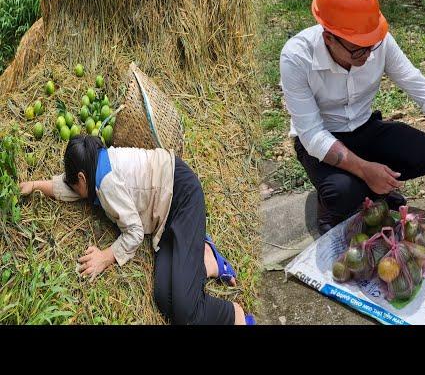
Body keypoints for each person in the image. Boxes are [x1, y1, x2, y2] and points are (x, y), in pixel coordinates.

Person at [279, 0, 425, 234]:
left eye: (372, 45)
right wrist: (366, 170)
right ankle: (343, 196)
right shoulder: (297, 56)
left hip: (364, 127)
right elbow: (311, 134)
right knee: (342, 194)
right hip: (322, 139)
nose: (368, 55)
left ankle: (372, 189)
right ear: (328, 38)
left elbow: (419, 87)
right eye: (358, 49)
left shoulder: (378, 43)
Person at [19, 135, 254, 325]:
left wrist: (105, 256)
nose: (73, 188)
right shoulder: (95, 163)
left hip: (182, 198)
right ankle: (206, 261)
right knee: (164, 299)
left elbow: (134, 232)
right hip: (163, 214)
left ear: (82, 177)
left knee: (186, 312)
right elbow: (67, 186)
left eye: (74, 183)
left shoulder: (106, 183)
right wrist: (36, 186)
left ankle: (235, 314)